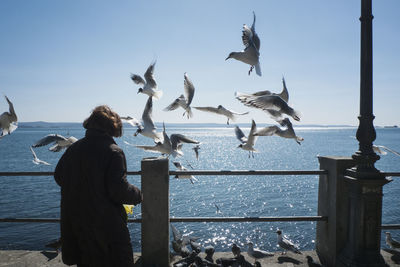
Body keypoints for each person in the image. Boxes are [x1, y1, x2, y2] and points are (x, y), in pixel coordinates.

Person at [54, 105, 142, 267]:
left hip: (78, 225)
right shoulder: (113, 151)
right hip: (106, 228)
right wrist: (138, 194)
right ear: (112, 127)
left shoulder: (74, 149)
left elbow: (59, 176)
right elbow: (119, 190)